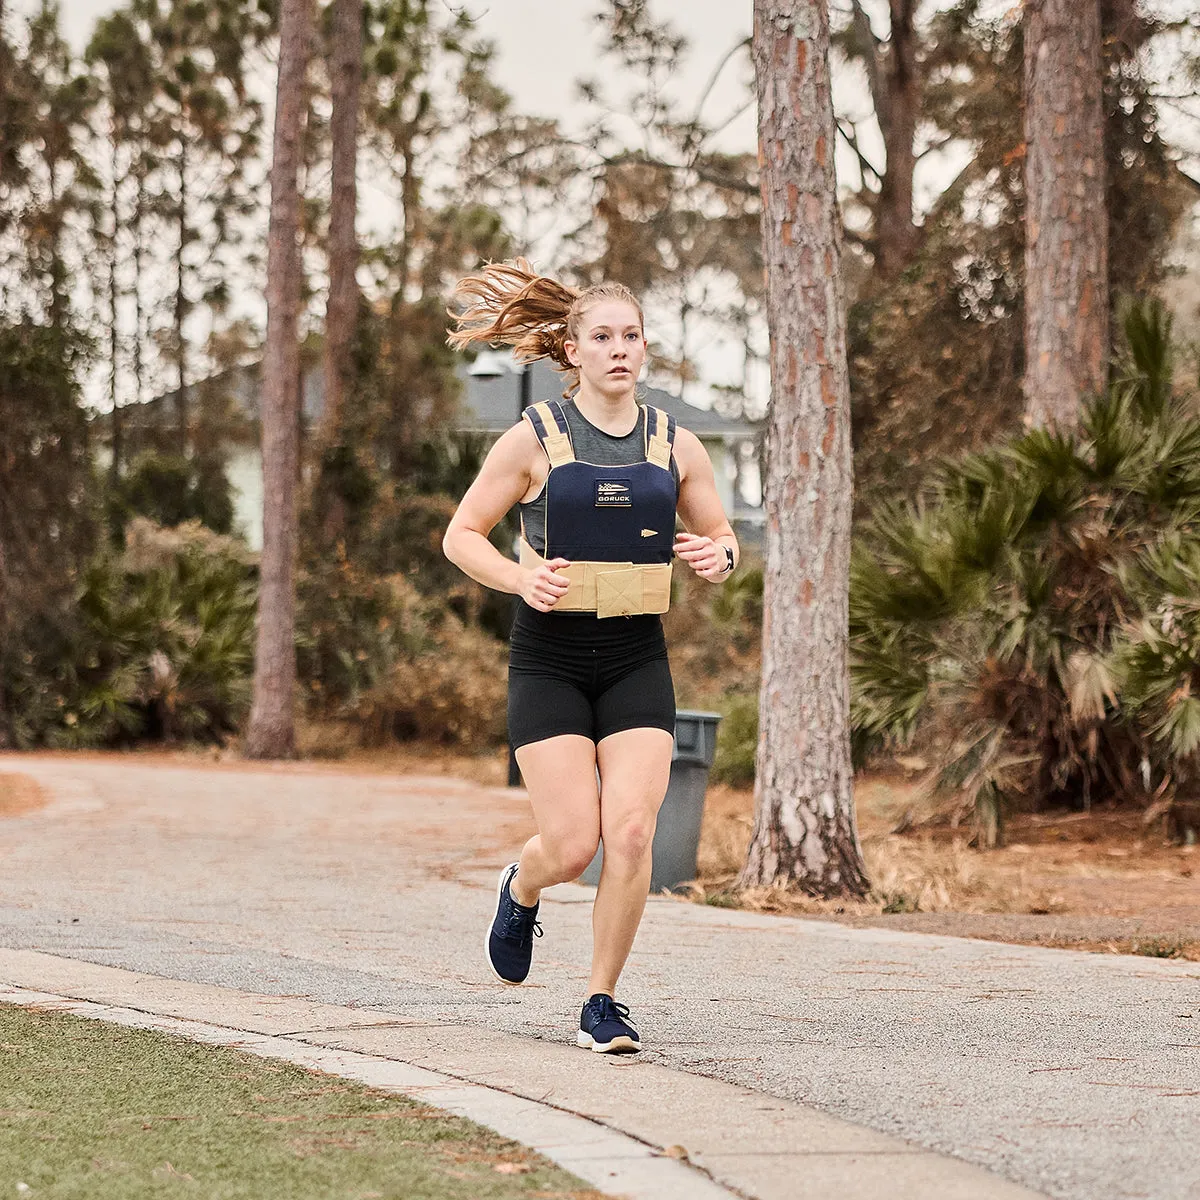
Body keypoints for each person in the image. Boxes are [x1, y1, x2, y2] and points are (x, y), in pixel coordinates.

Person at [442, 259, 739, 1054]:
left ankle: (601, 1001)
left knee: (634, 833)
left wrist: (721, 557)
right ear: (572, 351)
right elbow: (460, 536)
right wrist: (519, 576)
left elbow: (722, 535)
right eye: (601, 337)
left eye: (630, 336)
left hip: (637, 655)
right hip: (550, 660)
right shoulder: (533, 439)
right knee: (573, 845)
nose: (618, 349)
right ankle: (521, 885)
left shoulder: (676, 445)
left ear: (645, 350)